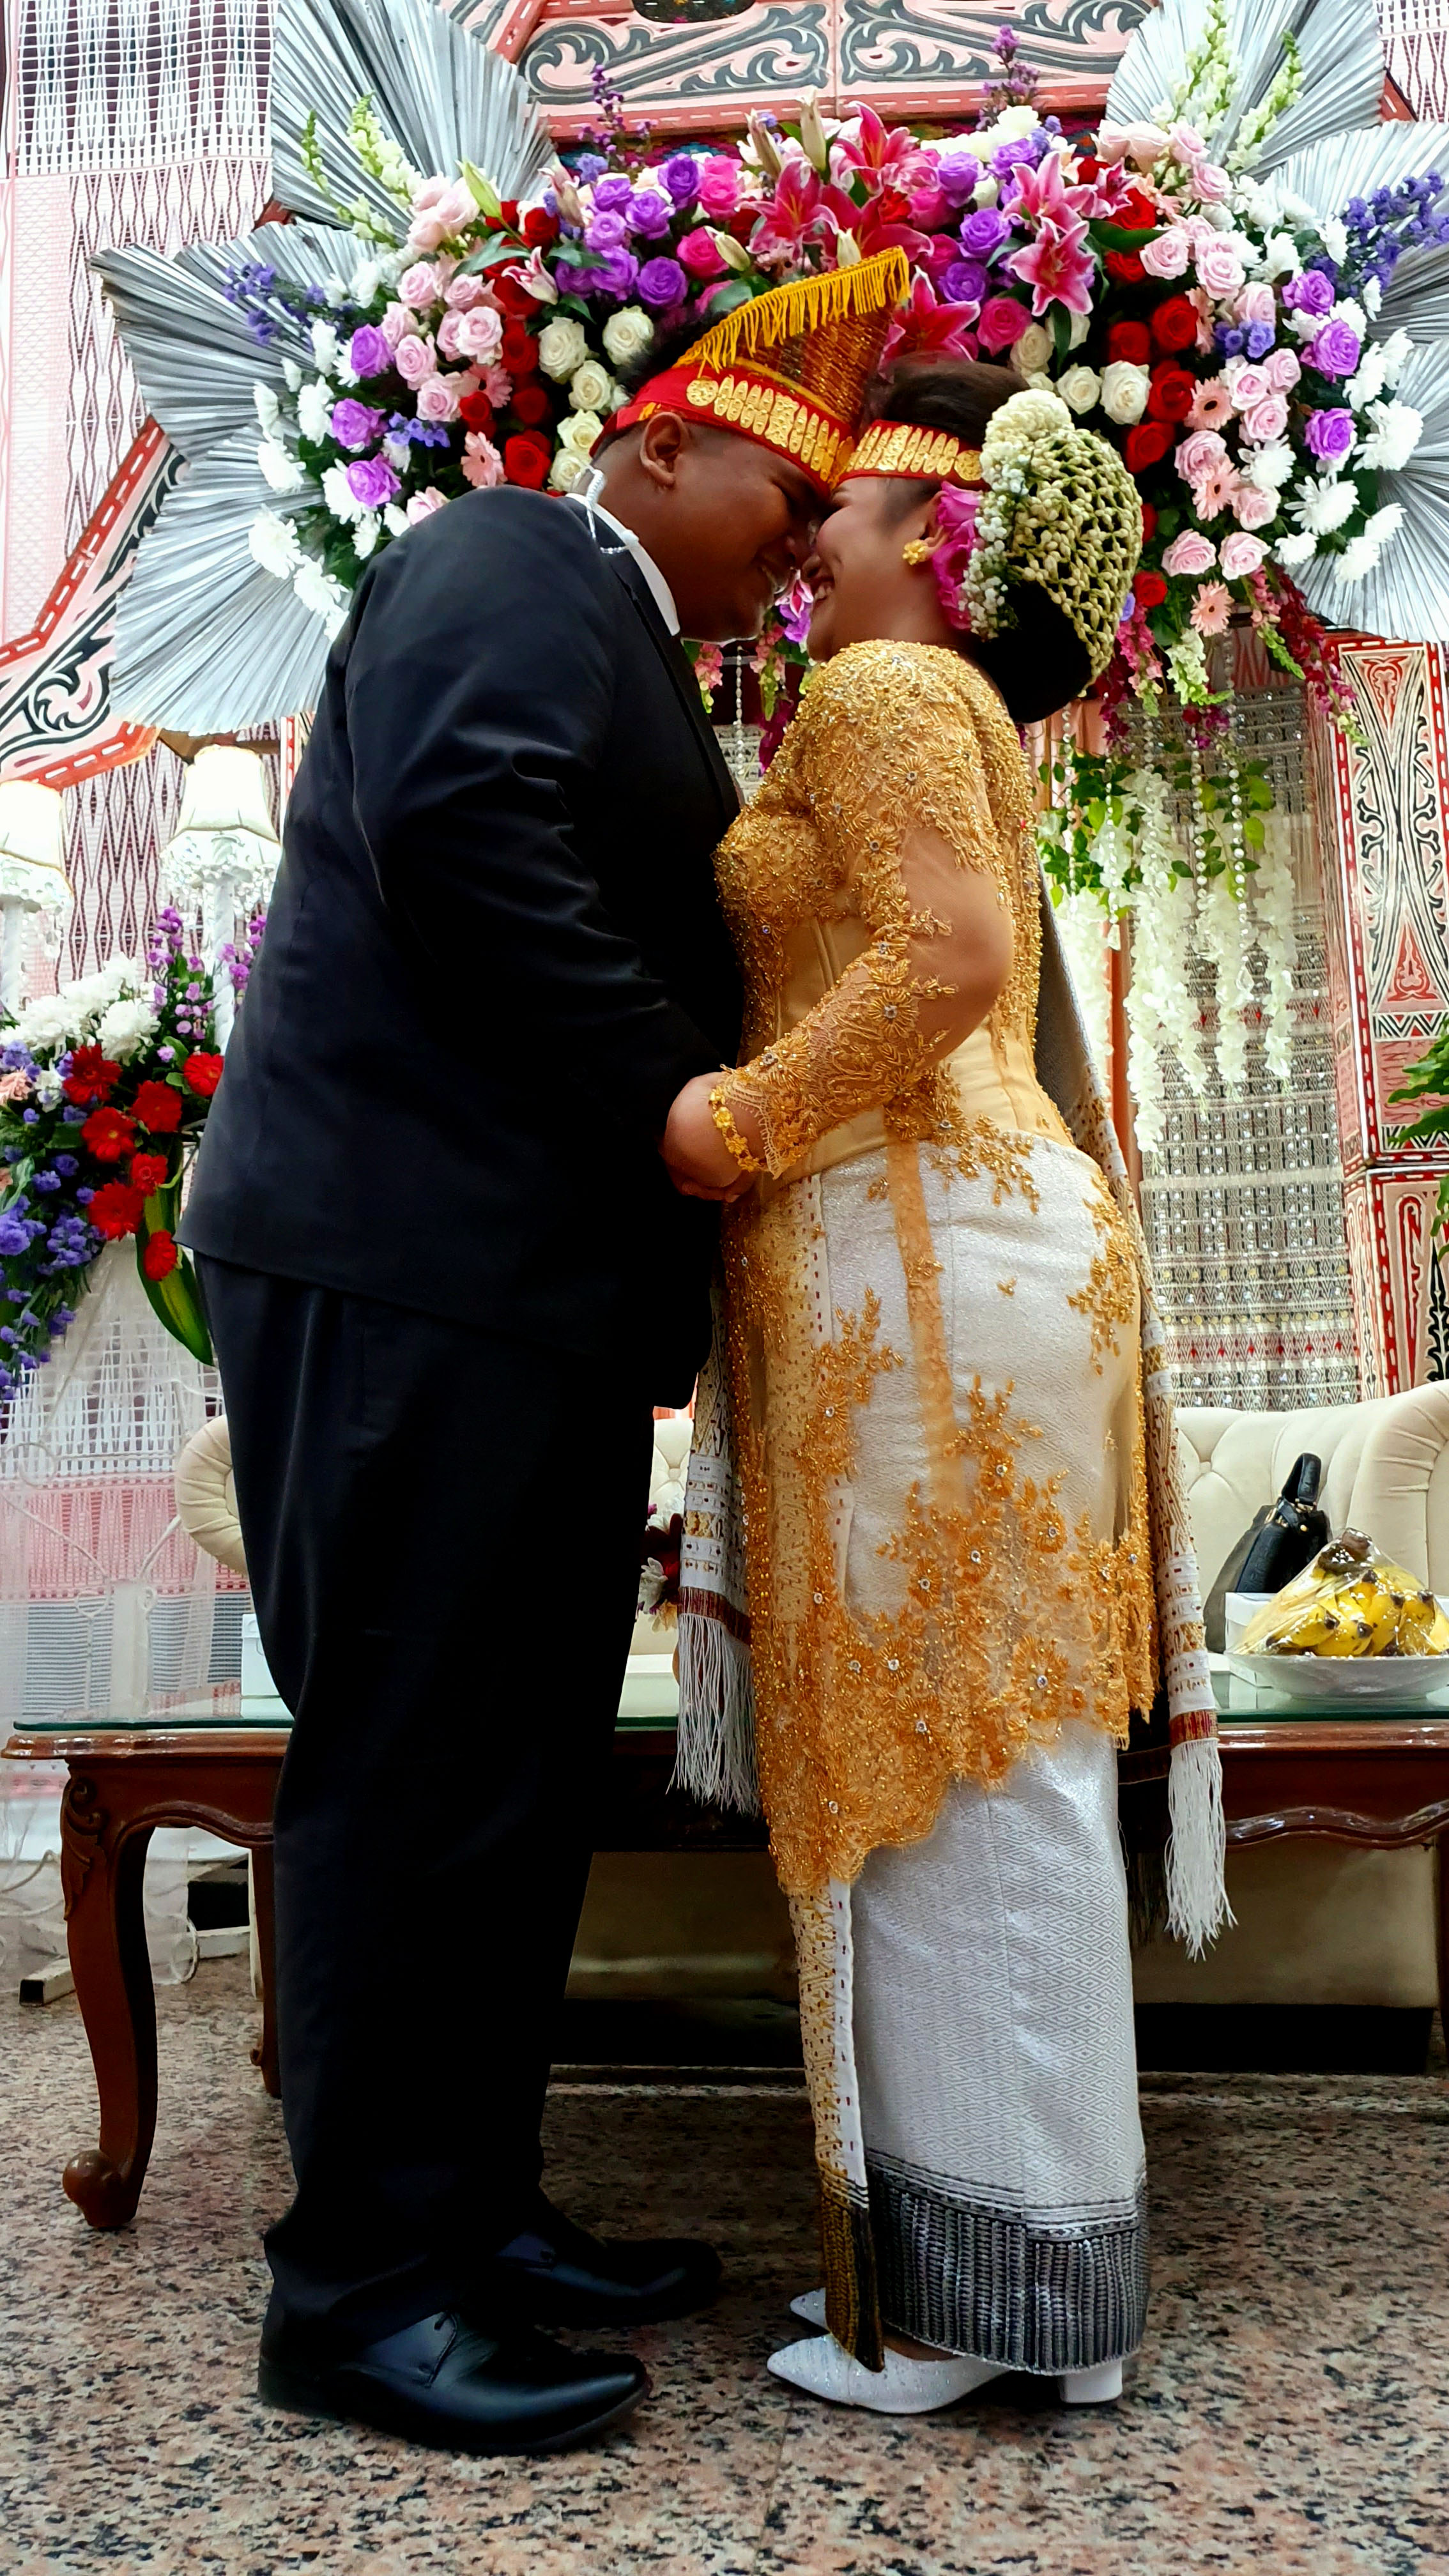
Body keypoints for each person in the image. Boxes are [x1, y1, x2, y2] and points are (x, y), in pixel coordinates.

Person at [181, 252, 912, 2457]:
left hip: (514, 1295)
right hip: (410, 1263)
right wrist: (665, 1098)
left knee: (505, 1791)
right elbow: (462, 826)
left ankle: (472, 2215)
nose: (802, 553)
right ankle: (360, 2294)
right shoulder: (509, 550)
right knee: (416, 1776)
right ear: (654, 444)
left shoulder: (619, 630)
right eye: (785, 507)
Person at [668, 359, 1229, 2415]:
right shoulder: (951, 703)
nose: (803, 542)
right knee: (994, 1762)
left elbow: (950, 961)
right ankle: (1041, 2297)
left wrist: (729, 1120)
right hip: (970, 1249)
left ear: (933, 538)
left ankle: (974, 2312)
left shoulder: (886, 688)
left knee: (935, 1771)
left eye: (839, 510)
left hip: (916, 1246)